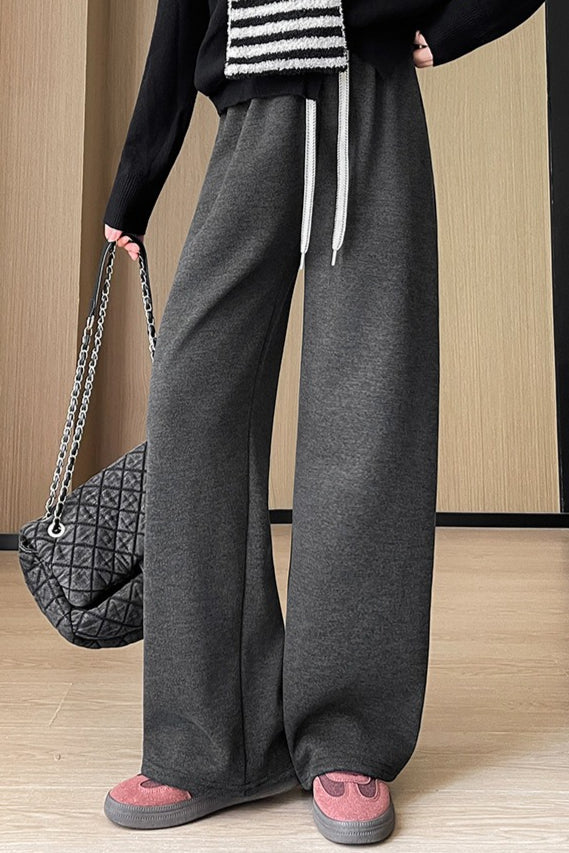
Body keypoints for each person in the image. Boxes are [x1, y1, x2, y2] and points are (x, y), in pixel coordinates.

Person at [101, 0, 544, 845]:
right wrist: (138, 175)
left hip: (366, 96)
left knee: (366, 413)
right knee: (192, 401)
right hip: (251, 113)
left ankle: (346, 734)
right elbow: (181, 11)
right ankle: (210, 742)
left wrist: (453, 25)